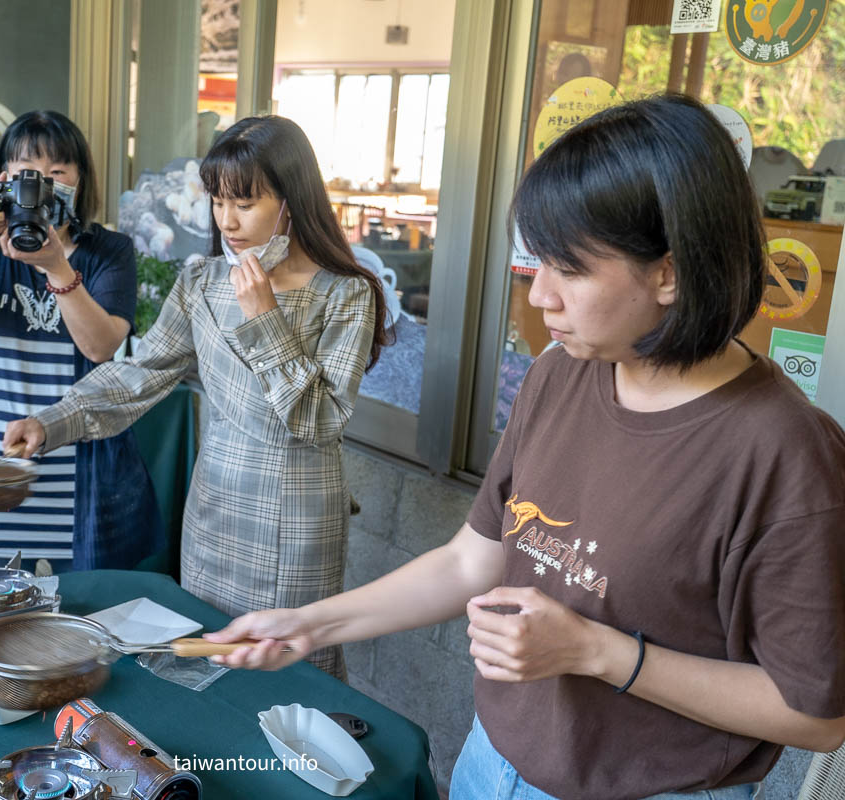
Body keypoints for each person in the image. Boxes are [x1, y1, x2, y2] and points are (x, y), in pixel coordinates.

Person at [203, 94, 845, 799]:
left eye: (568, 269)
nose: (539, 297)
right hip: (491, 763)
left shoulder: (784, 453)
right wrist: (309, 624)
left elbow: (815, 715)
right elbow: (469, 562)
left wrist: (598, 653)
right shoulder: (560, 375)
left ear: (671, 271)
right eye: (535, 262)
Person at [3, 115, 390, 677]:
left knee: (290, 663)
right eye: (217, 202)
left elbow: (318, 421)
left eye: (245, 203)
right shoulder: (202, 281)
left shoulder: (345, 293)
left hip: (297, 516)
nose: (227, 222)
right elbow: (141, 373)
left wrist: (266, 318)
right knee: (208, 657)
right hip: (213, 508)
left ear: (292, 200)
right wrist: (53, 421)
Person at [0, 110, 163, 575]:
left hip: (78, 475)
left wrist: (56, 266)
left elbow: (100, 347)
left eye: (57, 172)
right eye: (27, 173)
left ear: (80, 181)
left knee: (77, 608)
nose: (41, 184)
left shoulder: (109, 252)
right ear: (3, 180)